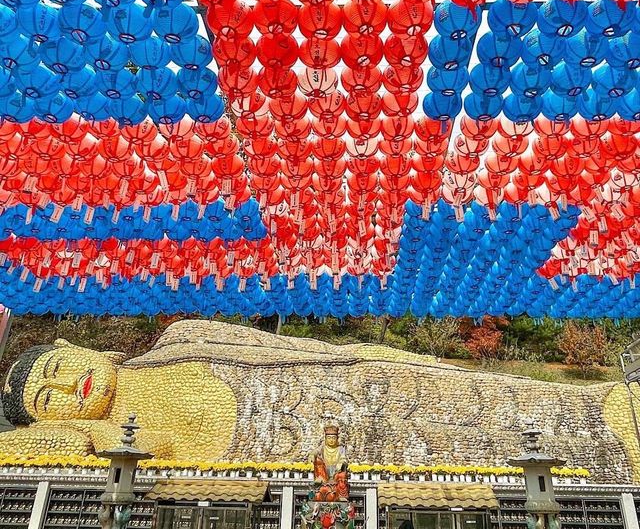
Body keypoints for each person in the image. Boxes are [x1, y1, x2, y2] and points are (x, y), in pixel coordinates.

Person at [0, 319, 636, 486]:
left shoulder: (179, 338)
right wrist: (53, 436)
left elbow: (272, 343)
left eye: (56, 370)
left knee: (475, 394)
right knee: (471, 453)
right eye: (48, 402)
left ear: (73, 345)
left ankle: (612, 409)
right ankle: (614, 450)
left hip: (353, 380)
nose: (65, 391)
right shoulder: (122, 444)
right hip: (319, 455)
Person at [313, 424, 349, 501]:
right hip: (324, 474)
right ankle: (320, 479)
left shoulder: (341, 448)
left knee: (342, 475)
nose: (331, 440)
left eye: (333, 438)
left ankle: (341, 496)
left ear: (337, 438)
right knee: (318, 460)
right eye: (329, 438)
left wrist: (341, 463)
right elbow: (315, 452)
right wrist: (312, 455)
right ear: (325, 439)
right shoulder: (323, 447)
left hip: (336, 473)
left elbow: (344, 459)